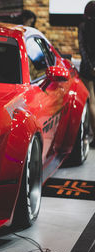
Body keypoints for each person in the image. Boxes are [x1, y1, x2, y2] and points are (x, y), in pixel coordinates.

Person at [78, 1, 95, 147]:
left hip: (87, 69)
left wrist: (90, 67)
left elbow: (82, 49)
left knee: (91, 102)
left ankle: (93, 136)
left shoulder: (83, 27)